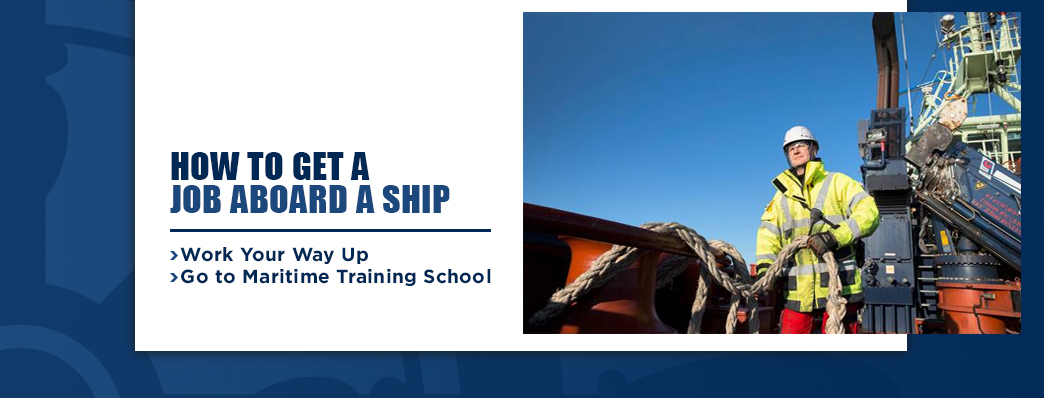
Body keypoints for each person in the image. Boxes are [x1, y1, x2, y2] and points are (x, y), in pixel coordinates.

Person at [755, 126, 880, 334]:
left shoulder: (838, 183)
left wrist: (834, 236)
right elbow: (768, 234)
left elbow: (869, 213)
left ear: (813, 149)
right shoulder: (780, 198)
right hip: (798, 293)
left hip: (840, 289)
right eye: (790, 148)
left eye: (800, 145)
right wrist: (765, 268)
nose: (795, 151)